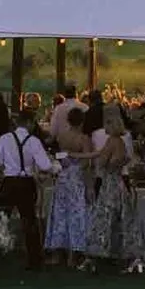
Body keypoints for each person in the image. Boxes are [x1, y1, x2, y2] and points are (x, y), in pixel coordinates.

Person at [0, 110, 53, 268]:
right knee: (29, 221)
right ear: (29, 123)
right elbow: (45, 165)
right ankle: (35, 259)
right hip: (26, 183)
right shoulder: (33, 141)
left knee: (0, 218)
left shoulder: (5, 138)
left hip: (9, 181)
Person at [42, 106, 94, 266]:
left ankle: (58, 252)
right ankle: (74, 252)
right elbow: (86, 163)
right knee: (76, 213)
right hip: (76, 177)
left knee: (60, 213)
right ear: (82, 121)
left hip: (63, 177)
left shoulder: (61, 136)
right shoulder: (84, 139)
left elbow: (59, 156)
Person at [86, 109, 134, 270]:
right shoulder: (122, 141)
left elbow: (102, 162)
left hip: (109, 183)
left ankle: (100, 254)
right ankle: (122, 253)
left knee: (105, 218)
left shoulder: (112, 141)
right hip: (119, 181)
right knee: (121, 218)